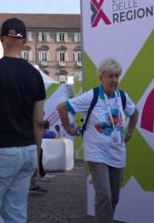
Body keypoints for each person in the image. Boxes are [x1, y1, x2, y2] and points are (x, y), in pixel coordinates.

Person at [0, 18, 46, 222]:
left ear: (1, 38)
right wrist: (37, 157)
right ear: (25, 40)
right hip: (28, 149)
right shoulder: (35, 75)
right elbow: (39, 121)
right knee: (16, 211)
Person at [57, 58, 139, 223]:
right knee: (104, 194)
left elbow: (134, 112)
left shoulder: (122, 96)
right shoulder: (92, 96)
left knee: (114, 197)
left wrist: (130, 132)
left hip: (117, 153)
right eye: (110, 76)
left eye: (117, 76)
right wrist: (68, 129)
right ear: (101, 76)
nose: (114, 80)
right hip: (96, 154)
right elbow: (62, 107)